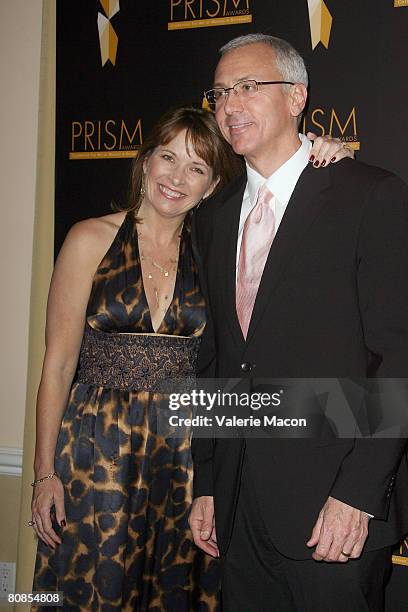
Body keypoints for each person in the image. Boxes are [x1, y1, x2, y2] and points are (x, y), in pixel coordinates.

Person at [30, 104, 350, 610]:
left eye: (197, 167)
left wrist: (319, 149)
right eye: (168, 157)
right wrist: (44, 473)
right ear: (145, 159)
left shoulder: (216, 249)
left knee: (176, 592)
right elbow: (58, 365)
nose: (177, 178)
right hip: (98, 452)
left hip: (187, 456)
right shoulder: (89, 239)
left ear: (212, 183)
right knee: (92, 589)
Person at [189, 34, 408, 612]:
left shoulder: (368, 195)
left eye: (247, 87)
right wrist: (208, 482)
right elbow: (216, 361)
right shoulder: (211, 218)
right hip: (238, 512)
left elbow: (397, 356)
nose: (229, 104)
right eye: (219, 92)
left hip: (332, 512)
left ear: (297, 97)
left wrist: (359, 495)